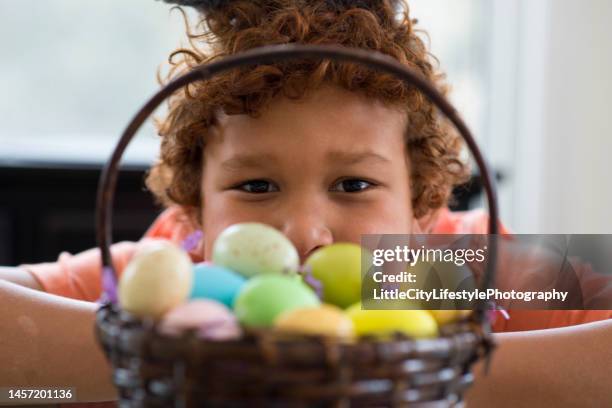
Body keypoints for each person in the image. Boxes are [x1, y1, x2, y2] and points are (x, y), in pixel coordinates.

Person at [1, 0, 610, 406]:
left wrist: (416, 370)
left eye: (352, 185)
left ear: (421, 210)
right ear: (195, 210)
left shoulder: (456, 269)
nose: (303, 231)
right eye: (256, 186)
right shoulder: (175, 280)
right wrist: (181, 355)